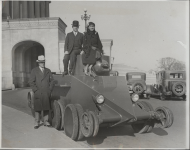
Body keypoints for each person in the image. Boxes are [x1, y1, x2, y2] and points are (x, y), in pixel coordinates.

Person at [29, 55, 54, 129]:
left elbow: (52, 81)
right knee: (38, 108)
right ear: (38, 63)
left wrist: (50, 89)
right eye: (41, 62)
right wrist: (35, 90)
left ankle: (46, 121)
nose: (42, 63)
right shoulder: (34, 70)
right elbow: (31, 82)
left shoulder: (48, 70)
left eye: (43, 62)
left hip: (46, 91)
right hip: (38, 92)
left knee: (46, 106)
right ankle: (37, 122)